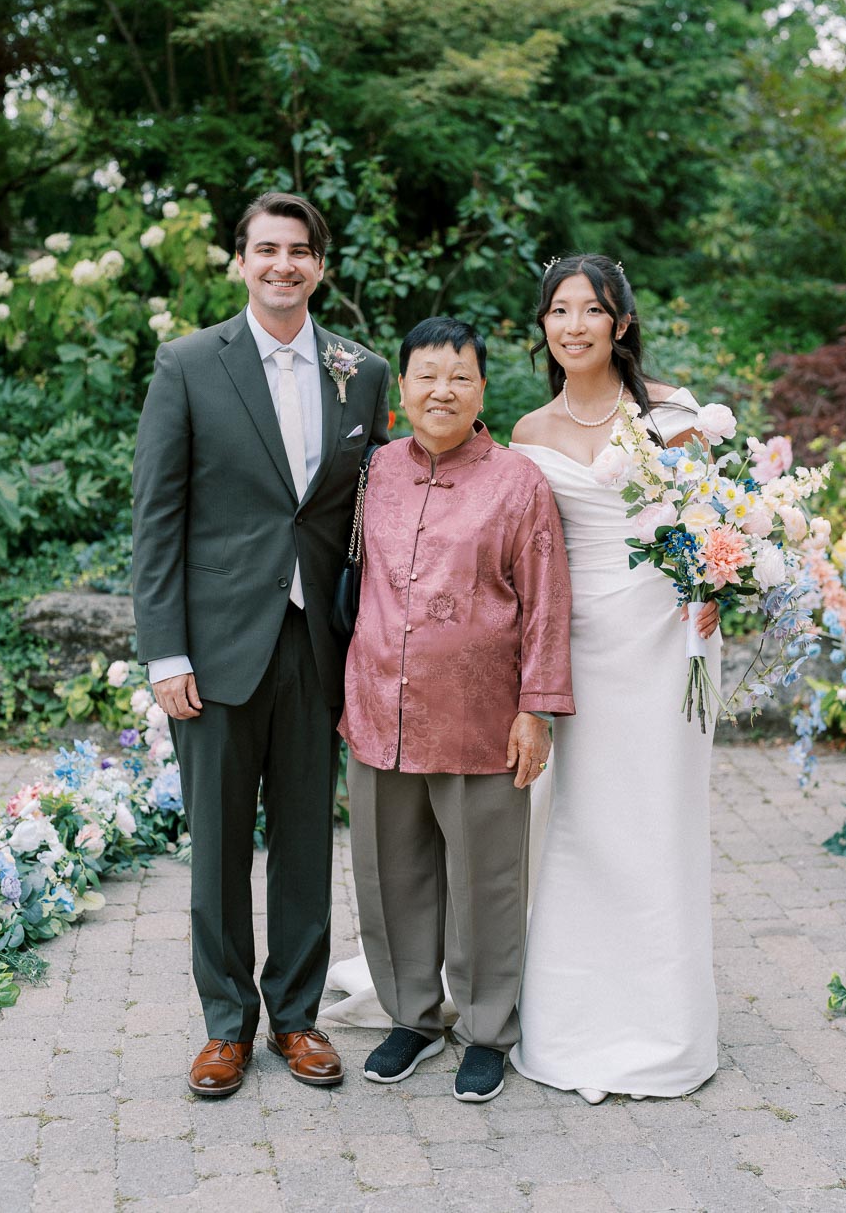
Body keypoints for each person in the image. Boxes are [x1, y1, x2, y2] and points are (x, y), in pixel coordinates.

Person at [132, 191, 390, 1098]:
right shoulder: (190, 364)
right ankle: (224, 1025)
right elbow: (157, 519)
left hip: (319, 642)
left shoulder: (366, 373)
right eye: (267, 249)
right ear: (239, 260)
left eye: (301, 251)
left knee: (306, 844)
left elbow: (377, 516)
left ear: (322, 264)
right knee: (216, 845)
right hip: (214, 645)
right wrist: (166, 653)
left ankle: (297, 1017)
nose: (284, 265)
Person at [339, 317, 575, 1103]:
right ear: (400, 389)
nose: (442, 389)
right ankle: (412, 1015)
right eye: (426, 375)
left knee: (485, 884)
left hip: (481, 717)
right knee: (389, 875)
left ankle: (485, 1028)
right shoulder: (372, 471)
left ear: (482, 391)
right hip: (380, 708)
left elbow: (546, 604)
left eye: (460, 376)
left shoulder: (516, 483)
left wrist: (536, 709)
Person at [509, 254, 720, 1103]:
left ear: (620, 323)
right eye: (558, 311)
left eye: (590, 310)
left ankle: (663, 1022)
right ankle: (569, 1015)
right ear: (545, 328)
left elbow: (718, 520)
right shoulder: (527, 434)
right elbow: (527, 555)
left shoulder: (674, 415)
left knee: (656, 821)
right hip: (579, 645)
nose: (573, 326)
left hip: (667, 641)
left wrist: (717, 587)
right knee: (579, 821)